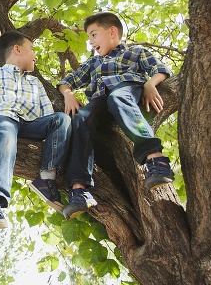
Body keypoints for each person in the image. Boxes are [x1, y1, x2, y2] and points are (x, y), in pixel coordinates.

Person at [58, 12, 175, 220]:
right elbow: (68, 80)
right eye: (89, 38)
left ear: (112, 31)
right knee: (81, 118)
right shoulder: (92, 63)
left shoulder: (135, 52)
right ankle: (79, 189)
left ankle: (156, 160)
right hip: (100, 100)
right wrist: (68, 93)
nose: (91, 41)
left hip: (126, 90)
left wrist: (149, 83)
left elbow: (161, 70)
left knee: (118, 97)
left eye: (94, 35)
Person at [0, 31, 71, 229]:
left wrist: (50, 132)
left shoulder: (35, 82)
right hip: (3, 117)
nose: (35, 55)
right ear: (17, 49)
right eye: (32, 50)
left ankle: (46, 180)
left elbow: (47, 112)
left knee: (61, 119)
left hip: (30, 123)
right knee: (6, 135)